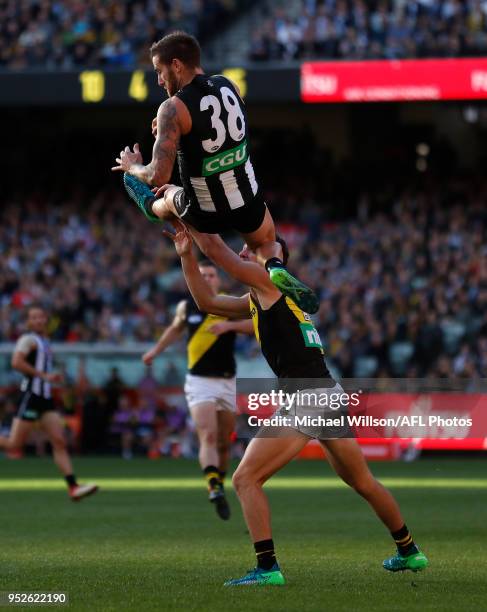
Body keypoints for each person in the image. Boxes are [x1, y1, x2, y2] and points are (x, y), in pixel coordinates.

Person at [164, 223, 429, 586]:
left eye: (249, 249)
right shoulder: (265, 295)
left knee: (244, 479)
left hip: (307, 397)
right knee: (363, 481)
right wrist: (185, 256)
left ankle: (267, 568)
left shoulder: (269, 284)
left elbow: (220, 256)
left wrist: (194, 226)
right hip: (326, 393)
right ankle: (409, 551)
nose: (243, 252)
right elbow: (207, 303)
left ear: (274, 259)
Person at [111, 30, 319, 315]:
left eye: (159, 72)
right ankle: (274, 265)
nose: (159, 80)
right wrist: (176, 128)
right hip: (247, 198)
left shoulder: (172, 108)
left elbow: (159, 174)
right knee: (267, 241)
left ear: (176, 65)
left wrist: (132, 165)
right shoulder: (229, 85)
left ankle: (149, 206)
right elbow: (218, 127)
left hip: (206, 209)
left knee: (171, 196)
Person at [142, 260, 253, 520]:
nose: (207, 279)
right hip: (199, 380)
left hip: (226, 380)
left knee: (226, 442)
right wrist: (155, 351)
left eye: (212, 275)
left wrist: (230, 326)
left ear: (218, 280)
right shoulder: (186, 306)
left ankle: (220, 483)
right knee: (208, 435)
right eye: (202, 275)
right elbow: (174, 329)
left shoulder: (229, 303)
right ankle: (212, 485)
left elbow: (256, 325)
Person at [0, 305, 98, 502]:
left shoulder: (45, 341)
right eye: (33, 318)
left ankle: (73, 487)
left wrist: (50, 377)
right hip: (31, 396)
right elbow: (16, 362)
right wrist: (43, 375)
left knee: (59, 441)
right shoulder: (28, 340)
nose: (38, 320)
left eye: (41, 317)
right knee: (13, 445)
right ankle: (73, 486)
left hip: (45, 399)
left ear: (46, 320)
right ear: (28, 322)